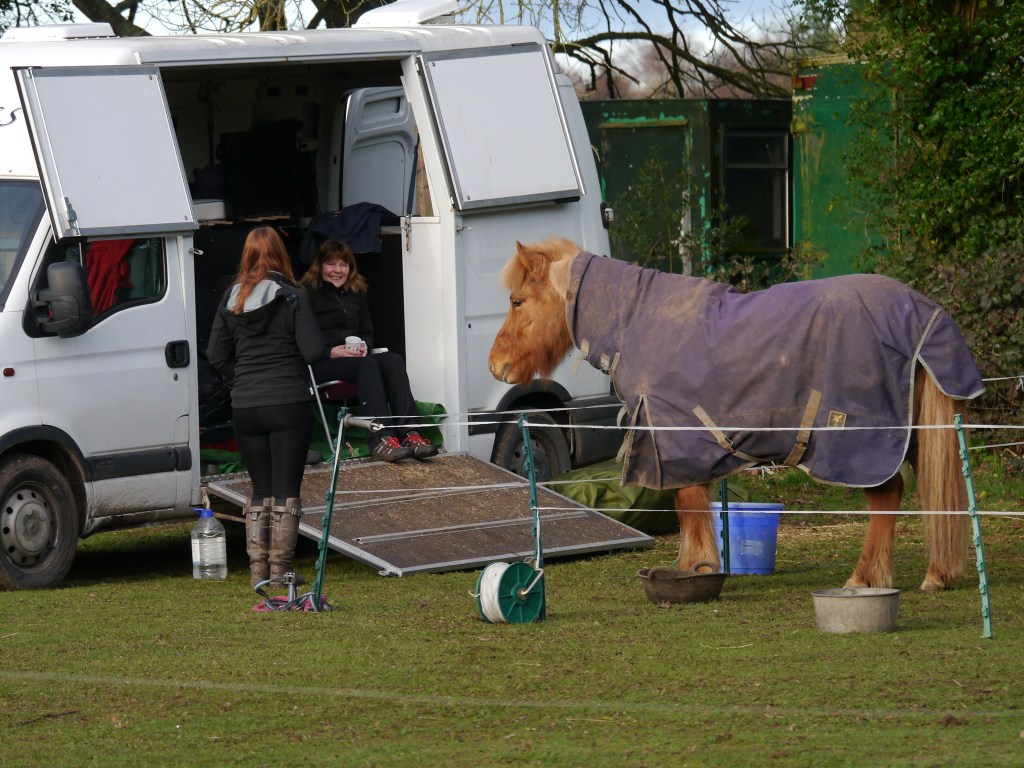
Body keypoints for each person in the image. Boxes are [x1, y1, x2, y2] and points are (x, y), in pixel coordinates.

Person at [206, 226, 326, 588]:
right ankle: (281, 570)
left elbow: (215, 355)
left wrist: (242, 377)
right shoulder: (292, 296)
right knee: (287, 488)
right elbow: (314, 351)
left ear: (247, 256)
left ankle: (257, 569)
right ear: (280, 255)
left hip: (246, 405)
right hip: (287, 401)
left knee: (260, 490)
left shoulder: (231, 298)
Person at [300, 239, 438, 462]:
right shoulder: (307, 293)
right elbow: (304, 341)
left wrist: (364, 345)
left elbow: (367, 330)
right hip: (320, 362)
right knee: (368, 365)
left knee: (392, 360)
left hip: (354, 360)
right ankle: (381, 439)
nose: (337, 270)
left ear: (350, 268)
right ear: (320, 266)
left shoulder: (356, 291)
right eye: (331, 264)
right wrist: (331, 351)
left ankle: (411, 434)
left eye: (343, 265)